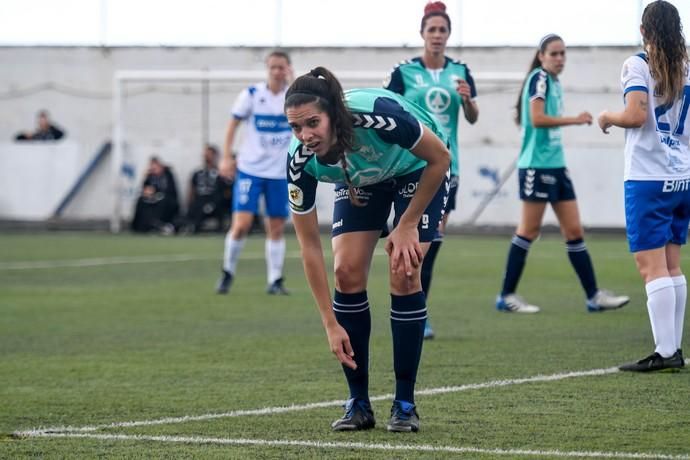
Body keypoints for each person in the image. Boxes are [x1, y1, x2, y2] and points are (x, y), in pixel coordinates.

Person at [285, 67, 450, 432]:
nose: (305, 136)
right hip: (363, 178)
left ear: (334, 114)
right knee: (346, 270)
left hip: (418, 168)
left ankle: (404, 403)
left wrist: (406, 224)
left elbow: (440, 158)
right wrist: (330, 323)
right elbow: (309, 248)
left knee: (405, 271)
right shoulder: (300, 162)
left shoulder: (378, 118)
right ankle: (358, 403)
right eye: (296, 128)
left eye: (313, 122)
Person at [494, 34, 629, 314]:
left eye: (563, 54)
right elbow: (537, 119)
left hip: (556, 165)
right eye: (554, 53)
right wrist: (575, 120)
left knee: (574, 231)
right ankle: (506, 295)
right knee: (528, 231)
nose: (559, 59)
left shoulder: (554, 82)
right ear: (541, 55)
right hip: (536, 167)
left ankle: (593, 296)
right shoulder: (539, 79)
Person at [597, 0, 687, 372]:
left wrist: (606, 116)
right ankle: (673, 347)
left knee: (650, 266)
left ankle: (666, 352)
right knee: (671, 263)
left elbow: (635, 115)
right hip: (682, 176)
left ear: (644, 31)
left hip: (648, 177)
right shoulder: (685, 64)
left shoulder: (638, 64)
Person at [385, 0, 478, 339]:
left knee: (430, 243)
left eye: (442, 30)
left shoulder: (461, 71)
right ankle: (408, 301)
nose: (437, 35)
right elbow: (387, 113)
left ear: (449, 34)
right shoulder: (403, 72)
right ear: (422, 34)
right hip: (408, 166)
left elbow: (472, 117)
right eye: (432, 30)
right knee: (411, 238)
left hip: (445, 168)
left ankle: (417, 308)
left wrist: (468, 100)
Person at [216, 50, 293, 295]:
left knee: (277, 226)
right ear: (267, 69)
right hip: (251, 170)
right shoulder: (252, 94)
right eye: (273, 67)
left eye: (282, 67)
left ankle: (275, 279)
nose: (277, 72)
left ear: (288, 68)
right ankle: (227, 272)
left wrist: (294, 81)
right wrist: (227, 156)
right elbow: (233, 124)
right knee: (242, 224)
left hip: (280, 173)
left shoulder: (293, 97)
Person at [185, 144, 232, 234]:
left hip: (215, 200)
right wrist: (190, 202)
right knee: (196, 208)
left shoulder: (220, 173)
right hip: (200, 200)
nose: (206, 156)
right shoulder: (198, 173)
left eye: (209, 154)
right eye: (205, 154)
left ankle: (220, 227)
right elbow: (192, 189)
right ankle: (193, 227)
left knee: (218, 205)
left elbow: (226, 190)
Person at [130, 156, 180, 235]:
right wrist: (148, 191)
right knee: (141, 201)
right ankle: (140, 226)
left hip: (167, 199)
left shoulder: (168, 175)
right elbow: (145, 189)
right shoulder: (150, 176)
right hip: (153, 199)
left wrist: (157, 192)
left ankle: (158, 224)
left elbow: (171, 190)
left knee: (163, 202)